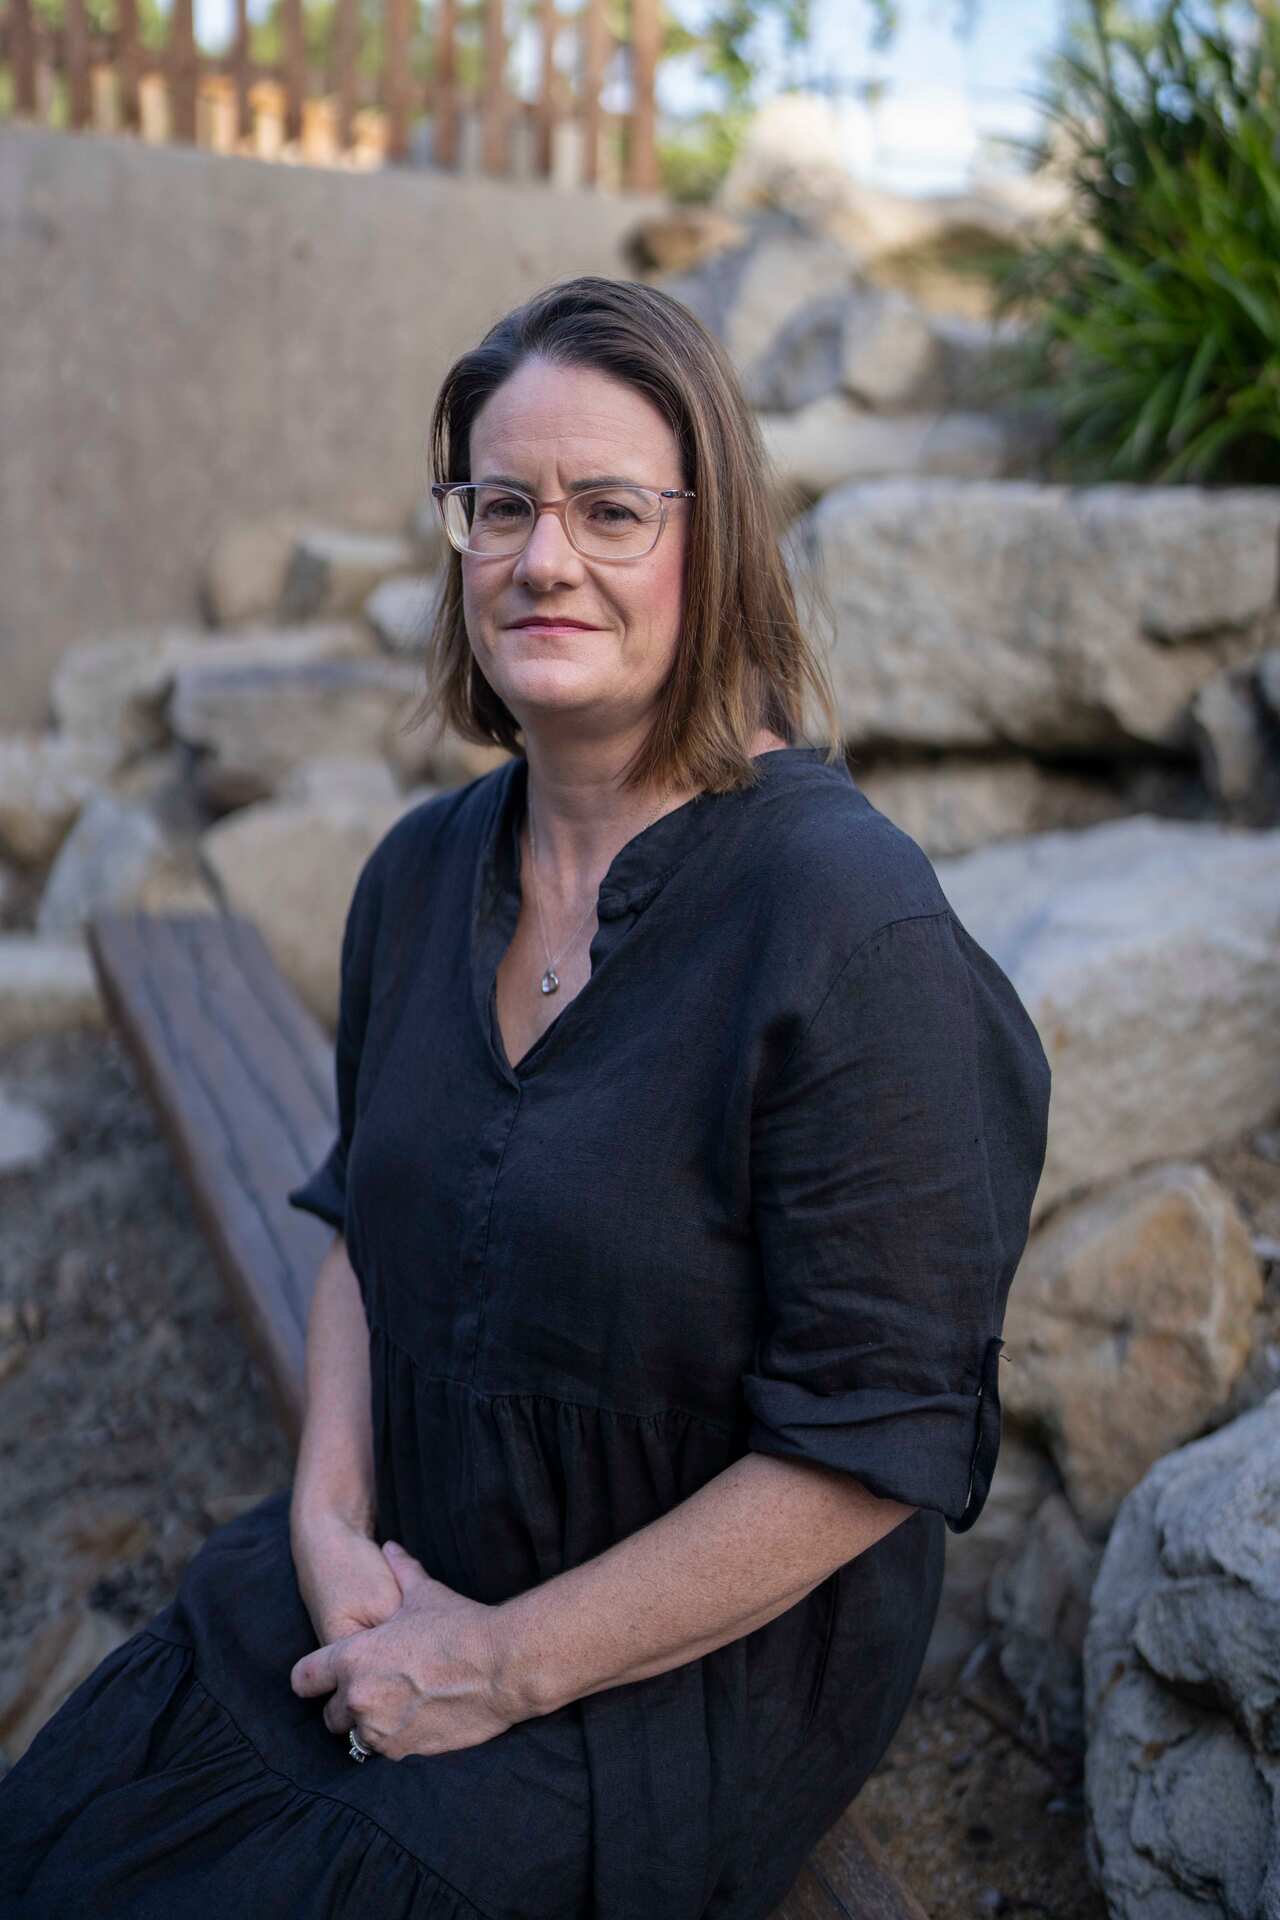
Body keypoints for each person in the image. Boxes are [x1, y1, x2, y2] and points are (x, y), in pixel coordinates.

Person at [0, 275, 1051, 1920]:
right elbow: (367, 1228)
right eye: (503, 506)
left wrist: (496, 1664)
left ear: (716, 549)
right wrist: (328, 1521)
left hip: (671, 1677)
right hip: (408, 1551)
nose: (543, 560)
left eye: (611, 512)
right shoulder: (424, 874)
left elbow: (866, 1452)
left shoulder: (850, 927)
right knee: (79, 1822)